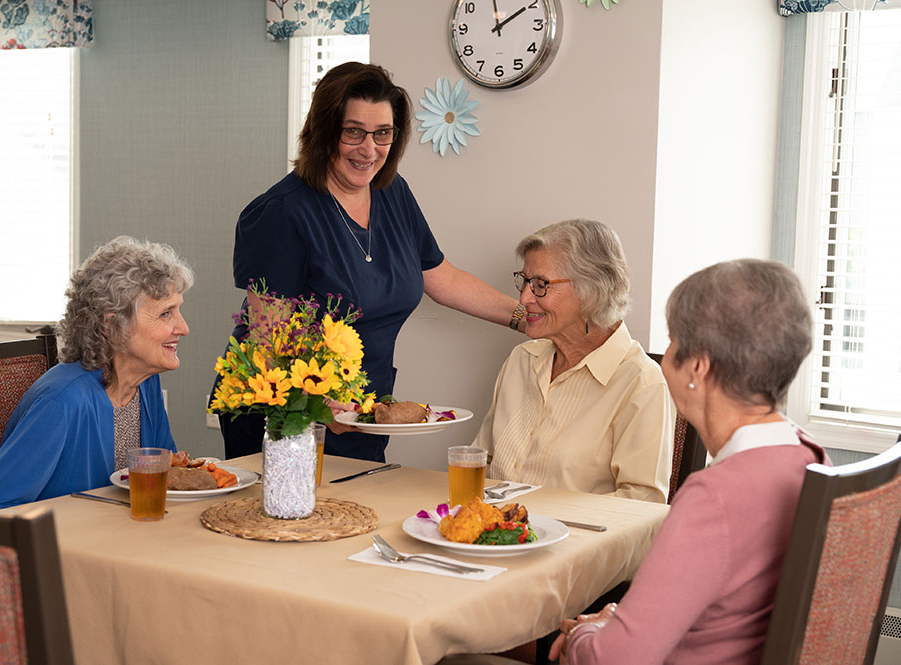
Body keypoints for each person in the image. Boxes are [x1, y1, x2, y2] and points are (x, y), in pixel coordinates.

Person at [218, 62, 523, 463]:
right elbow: (265, 336)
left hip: (362, 408)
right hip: (286, 416)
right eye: (353, 132)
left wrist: (527, 317)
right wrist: (317, 403)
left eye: (382, 133)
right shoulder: (282, 213)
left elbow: (442, 277)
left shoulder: (393, 194)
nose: (369, 149)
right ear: (324, 131)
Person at [545, 259, 829, 665]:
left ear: (697, 367)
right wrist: (618, 622)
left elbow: (613, 660)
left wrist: (585, 631)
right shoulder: (810, 456)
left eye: (673, 341)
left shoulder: (713, 497)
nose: (664, 358)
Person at [0, 236, 193, 509]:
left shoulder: (145, 384)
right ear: (112, 327)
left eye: (178, 311)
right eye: (165, 314)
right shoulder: (62, 401)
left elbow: (167, 479)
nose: (183, 328)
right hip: (64, 548)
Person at [472, 219, 674, 503]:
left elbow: (640, 508)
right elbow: (479, 464)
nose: (524, 297)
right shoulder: (522, 360)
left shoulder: (642, 382)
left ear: (593, 289)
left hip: (577, 545)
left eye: (541, 284)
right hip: (491, 540)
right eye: (524, 281)